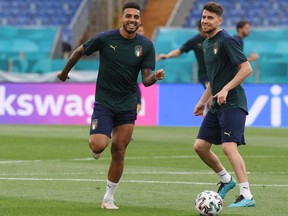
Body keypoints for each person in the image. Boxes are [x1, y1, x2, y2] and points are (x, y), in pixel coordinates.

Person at [57, 2, 164, 209]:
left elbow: (146, 79)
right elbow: (79, 50)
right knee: (98, 145)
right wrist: (63, 73)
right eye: (128, 16)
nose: (132, 20)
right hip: (104, 103)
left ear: (139, 20)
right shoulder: (106, 38)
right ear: (122, 18)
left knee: (119, 150)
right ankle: (96, 146)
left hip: (127, 104)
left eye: (136, 17)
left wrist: (155, 77)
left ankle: (108, 198)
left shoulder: (146, 46)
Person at [193, 2, 256, 208]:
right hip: (217, 105)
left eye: (210, 18)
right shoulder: (207, 44)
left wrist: (227, 89)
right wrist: (202, 101)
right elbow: (214, 79)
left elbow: (247, 69)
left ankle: (247, 195)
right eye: (203, 17)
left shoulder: (227, 40)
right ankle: (227, 180)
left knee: (229, 147)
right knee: (200, 146)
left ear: (220, 21)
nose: (205, 21)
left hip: (233, 103)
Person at [157, 20, 208, 89]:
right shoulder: (195, 41)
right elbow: (179, 51)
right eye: (204, 29)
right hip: (205, 74)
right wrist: (167, 55)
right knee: (211, 93)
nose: (206, 31)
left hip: (218, 73)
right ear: (199, 29)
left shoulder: (216, 39)